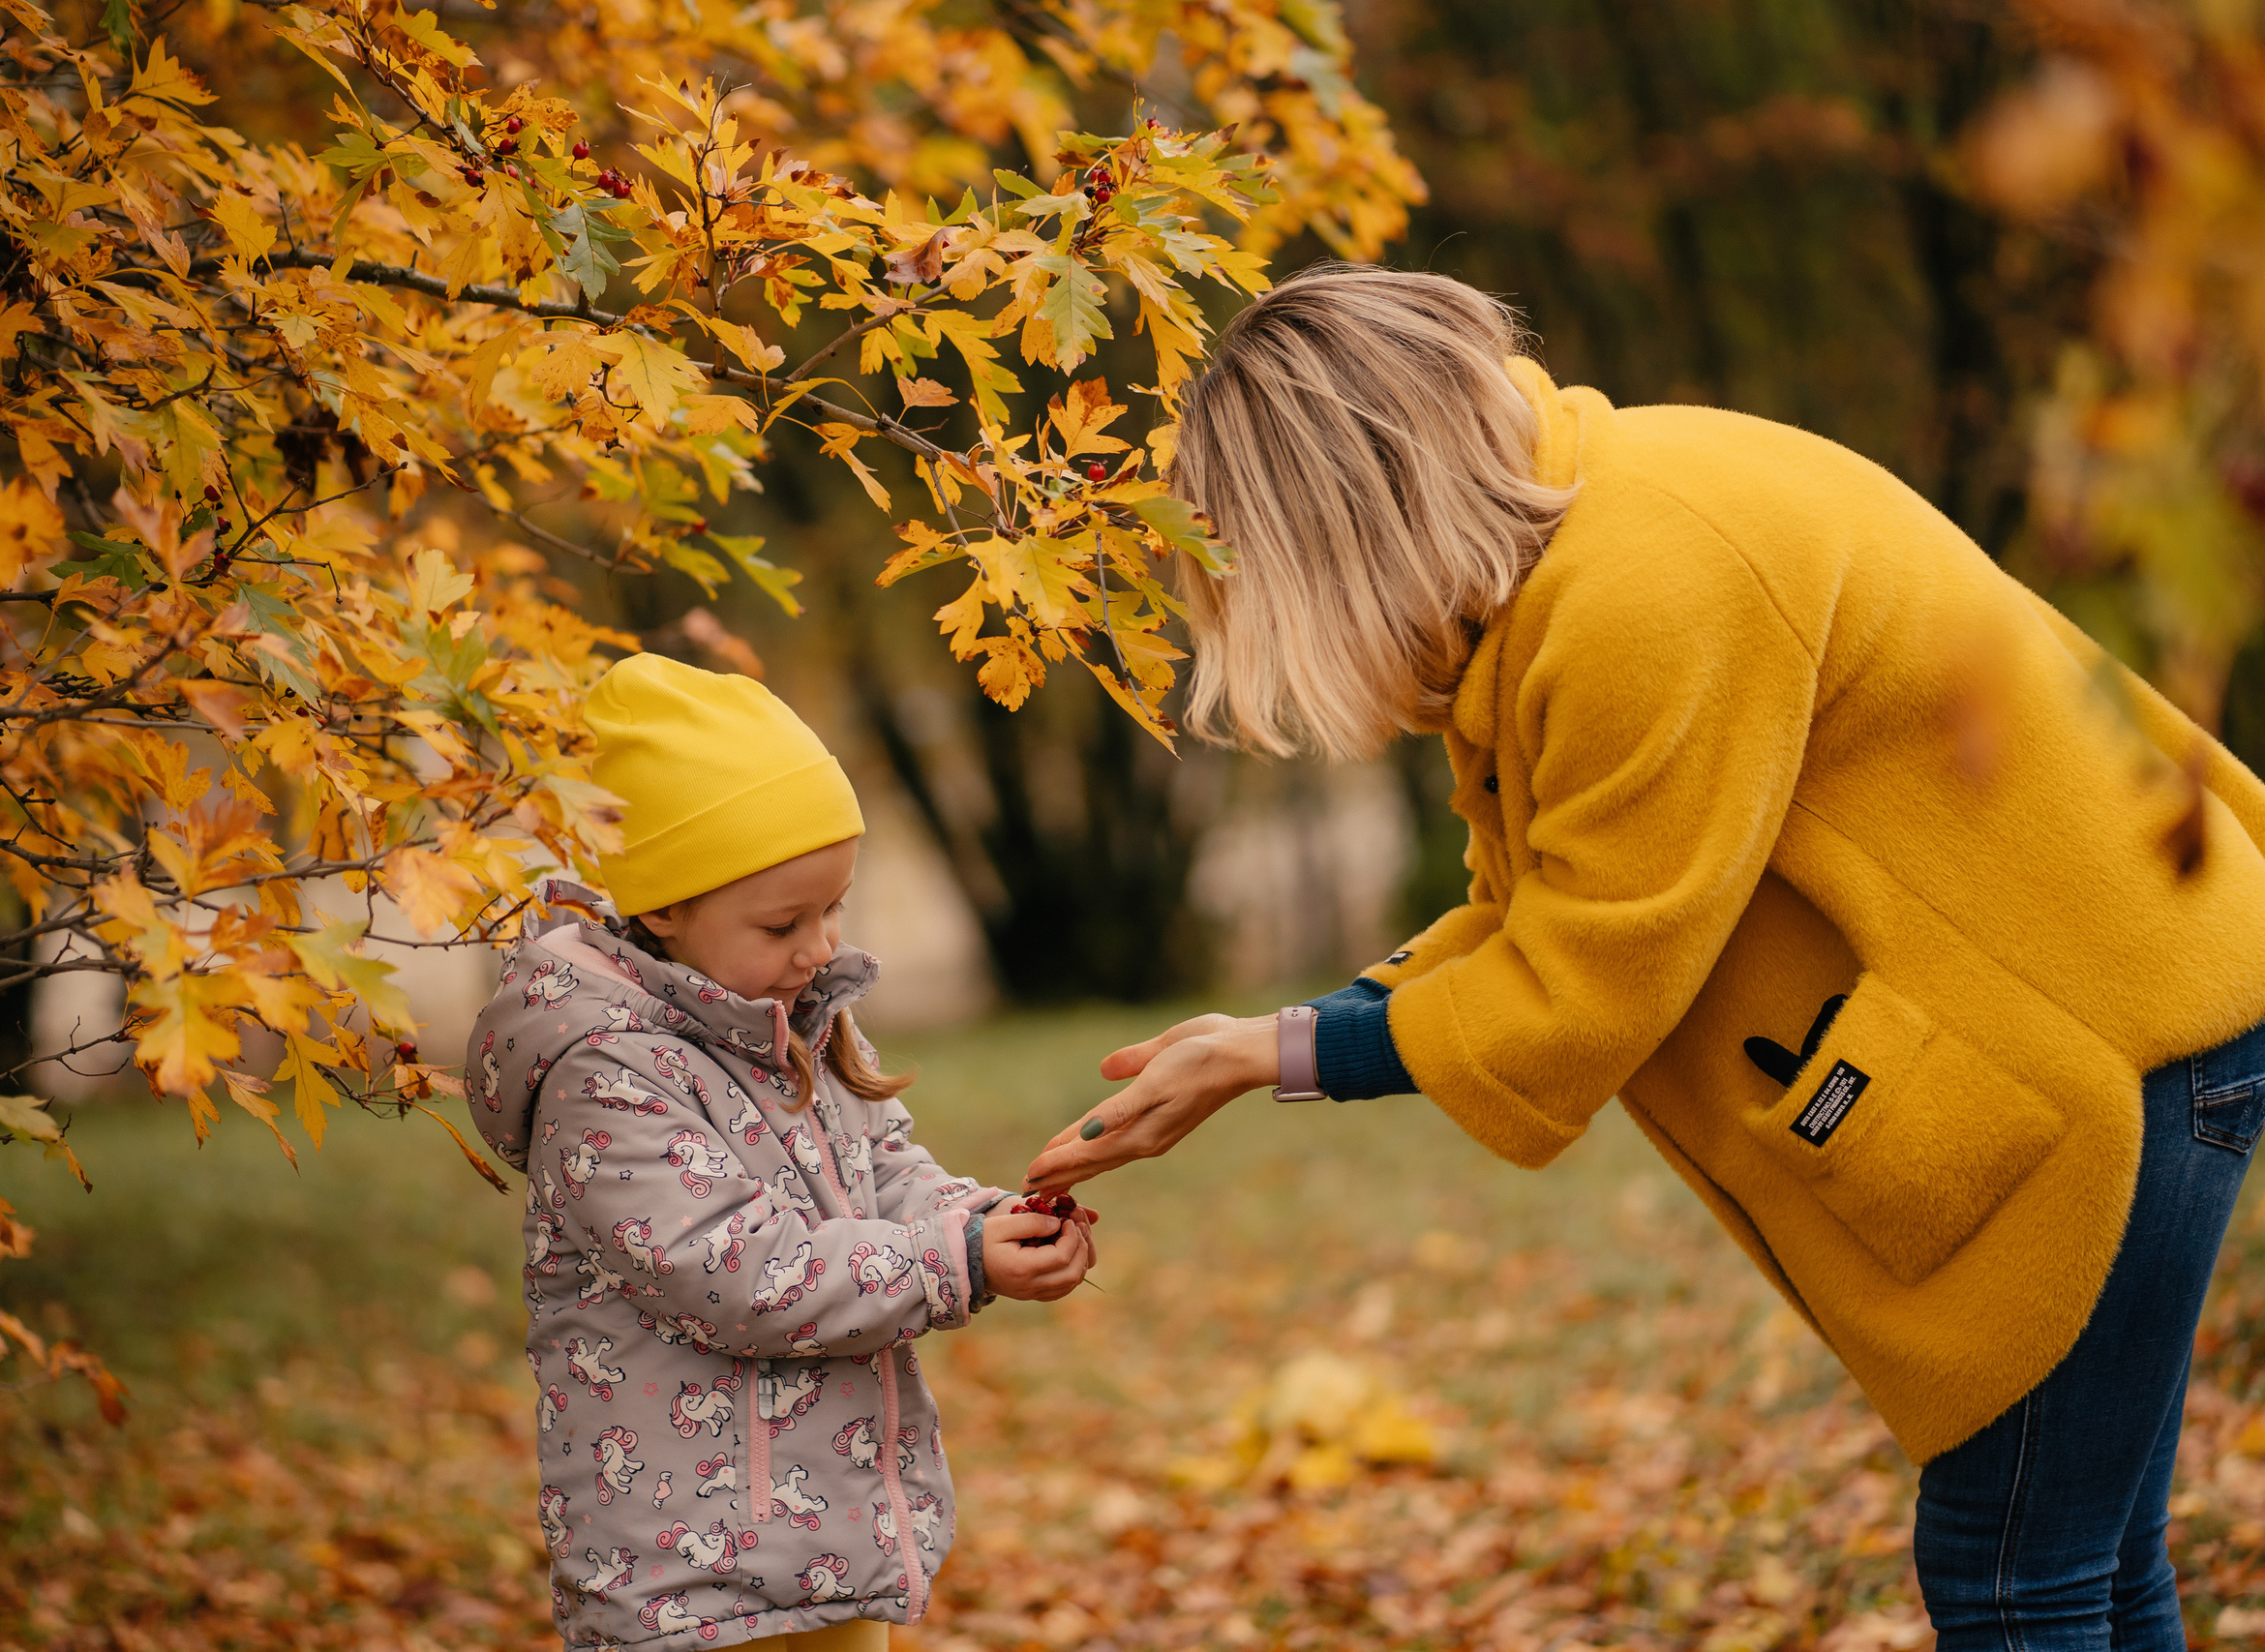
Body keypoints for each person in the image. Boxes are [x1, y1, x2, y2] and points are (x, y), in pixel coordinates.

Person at [1023, 263, 2265, 1650]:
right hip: (2129, 1009)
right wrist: (1276, 1034)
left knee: (2014, 1567)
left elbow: (1586, 978)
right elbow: (1529, 903)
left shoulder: (1645, 587)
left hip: (2117, 1042)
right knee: (2081, 1558)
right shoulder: (1579, 558)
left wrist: (1272, 1057)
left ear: (1341, 521)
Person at [468, 653, 1097, 1652]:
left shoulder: (790, 1020)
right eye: (783, 921)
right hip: (693, 1579)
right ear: (662, 906)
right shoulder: (603, 1075)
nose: (819, 945)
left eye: (834, 907)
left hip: (821, 1543)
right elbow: (736, 1274)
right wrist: (955, 1264)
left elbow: (881, 1166)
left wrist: (977, 1221)